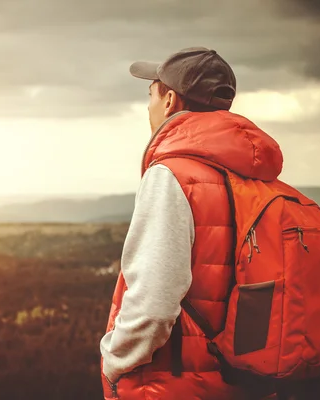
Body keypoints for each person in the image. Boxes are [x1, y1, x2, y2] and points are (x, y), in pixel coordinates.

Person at [99, 47, 282, 399]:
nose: (148, 106)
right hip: (237, 379)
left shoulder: (171, 175)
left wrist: (114, 360)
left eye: (150, 94)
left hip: (170, 383)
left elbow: (154, 304)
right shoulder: (253, 176)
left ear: (169, 100)